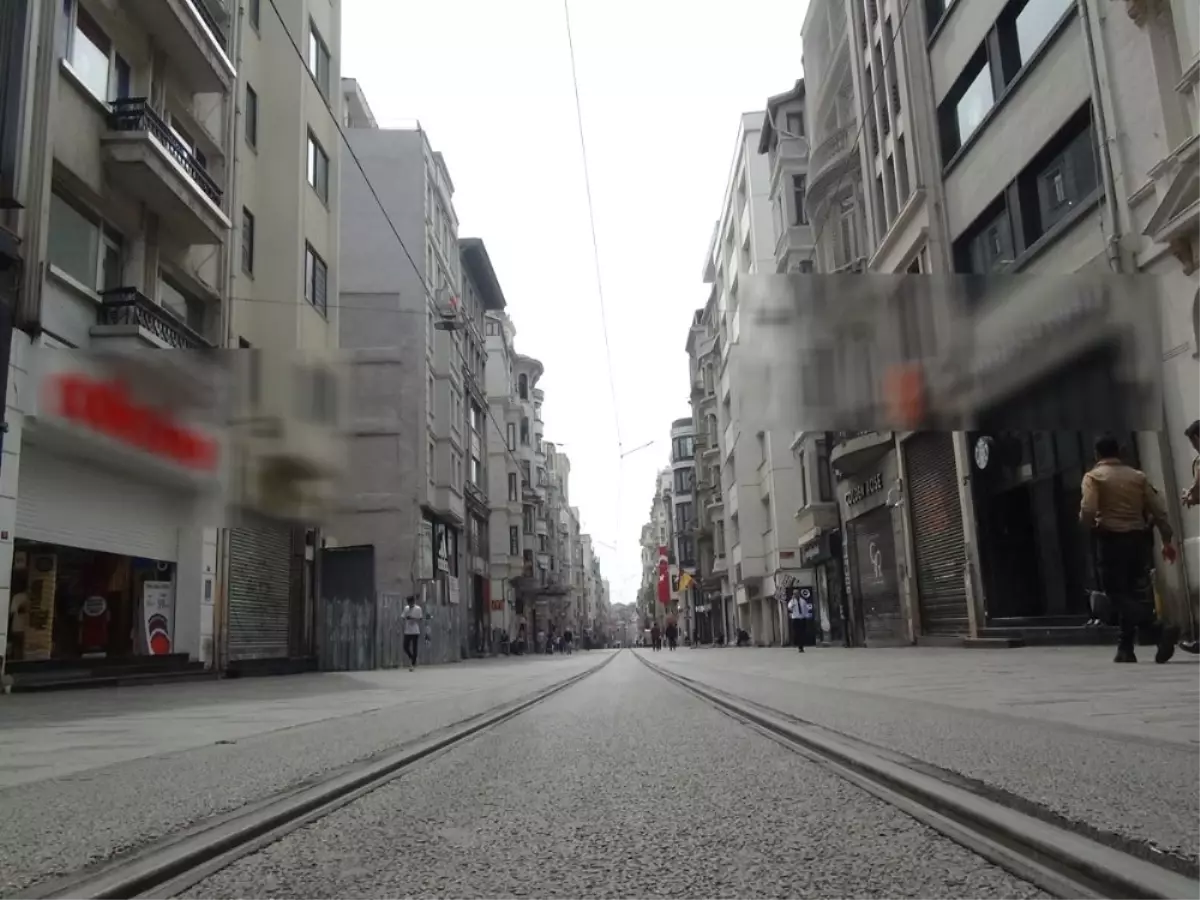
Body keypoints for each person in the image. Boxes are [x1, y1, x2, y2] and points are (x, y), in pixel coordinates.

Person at [1080, 436, 1179, 664]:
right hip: (1138, 539)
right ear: (1120, 452)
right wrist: (1167, 540)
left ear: (1097, 455)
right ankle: (1125, 648)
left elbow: (1088, 508)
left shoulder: (1094, 477)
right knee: (1131, 593)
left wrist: (1091, 524)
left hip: (1111, 539)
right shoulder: (1138, 477)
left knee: (1114, 594)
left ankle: (1157, 629)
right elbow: (1158, 509)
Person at [786, 587, 810, 653]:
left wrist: (806, 616)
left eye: (797, 593)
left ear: (799, 594)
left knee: (802, 633)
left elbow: (806, 609)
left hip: (802, 618)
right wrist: (793, 602)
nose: (796, 595)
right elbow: (789, 607)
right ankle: (799, 646)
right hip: (796, 619)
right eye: (794, 593)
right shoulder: (792, 601)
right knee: (797, 633)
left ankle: (801, 646)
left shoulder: (803, 601)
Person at [402, 595, 423, 671]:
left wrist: (413, 618)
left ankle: (413, 664)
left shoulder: (418, 609)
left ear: (413, 602)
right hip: (407, 630)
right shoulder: (406, 608)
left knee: (414, 647)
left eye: (410, 602)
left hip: (415, 631)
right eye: (408, 602)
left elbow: (420, 618)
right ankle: (411, 657)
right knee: (405, 646)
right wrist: (405, 618)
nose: (409, 604)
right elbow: (403, 616)